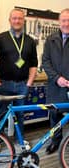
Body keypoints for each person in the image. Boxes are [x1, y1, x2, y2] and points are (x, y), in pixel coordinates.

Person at [0, 8, 38, 141]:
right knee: (1, 114)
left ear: (23, 21)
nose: (17, 21)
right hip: (4, 84)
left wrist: (29, 84)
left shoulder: (30, 41)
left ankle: (21, 139)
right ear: (10, 20)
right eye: (14, 18)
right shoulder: (0, 38)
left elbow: (33, 65)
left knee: (20, 114)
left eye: (20, 18)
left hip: (22, 85)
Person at [42, 8, 69, 154]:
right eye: (64, 20)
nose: (66, 23)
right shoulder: (50, 39)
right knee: (54, 117)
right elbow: (45, 62)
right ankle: (55, 141)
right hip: (55, 86)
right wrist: (57, 78)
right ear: (59, 22)